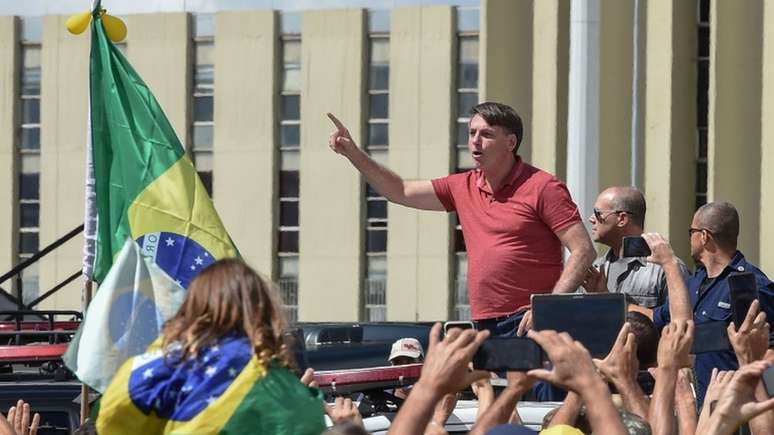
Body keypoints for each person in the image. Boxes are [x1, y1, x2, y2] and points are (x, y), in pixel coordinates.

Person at [328, 102, 595, 336]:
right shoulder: (461, 186)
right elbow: (400, 191)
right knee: (498, 395)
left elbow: (583, 250)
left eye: (486, 134)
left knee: (536, 396)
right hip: (483, 322)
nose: (475, 141)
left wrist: (548, 306)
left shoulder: (543, 186)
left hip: (531, 321)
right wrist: (353, 153)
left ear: (510, 143)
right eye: (472, 133)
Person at [97, 259, 326, 434]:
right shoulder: (282, 386)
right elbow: (304, 422)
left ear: (193, 305)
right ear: (264, 311)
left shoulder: (149, 369)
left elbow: (109, 419)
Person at [637, 202, 774, 408]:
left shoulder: (750, 285)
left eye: (691, 231)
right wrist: (608, 299)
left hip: (736, 408)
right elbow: (661, 317)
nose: (689, 238)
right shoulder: (695, 282)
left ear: (704, 236)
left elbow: (769, 353)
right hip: (700, 405)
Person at [583, 186, 689, 308]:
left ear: (622, 219)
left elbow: (678, 321)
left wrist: (610, 301)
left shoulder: (665, 270)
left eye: (598, 213)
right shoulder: (595, 270)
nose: (591, 219)